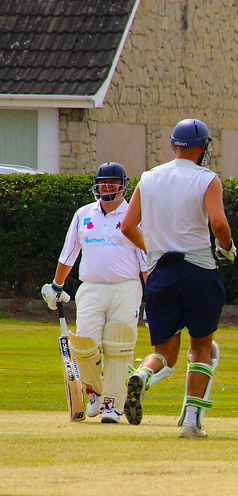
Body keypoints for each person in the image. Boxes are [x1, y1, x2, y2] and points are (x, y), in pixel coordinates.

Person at [118, 118, 237, 438]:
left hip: (161, 274)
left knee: (164, 353)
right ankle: (191, 422)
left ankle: (143, 375)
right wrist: (228, 248)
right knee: (202, 347)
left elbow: (127, 226)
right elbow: (219, 225)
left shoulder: (149, 177)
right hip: (199, 271)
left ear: (174, 146)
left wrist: (154, 251)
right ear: (202, 148)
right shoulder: (208, 179)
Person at [40, 162, 147, 423]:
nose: (107, 187)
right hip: (91, 287)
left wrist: (154, 296)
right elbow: (69, 254)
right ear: (96, 185)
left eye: (112, 183)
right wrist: (57, 286)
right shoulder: (83, 214)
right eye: (102, 183)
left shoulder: (135, 215)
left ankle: (113, 404)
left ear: (123, 186)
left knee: (119, 344)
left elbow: (146, 261)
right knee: (83, 344)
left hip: (126, 287)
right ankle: (95, 393)